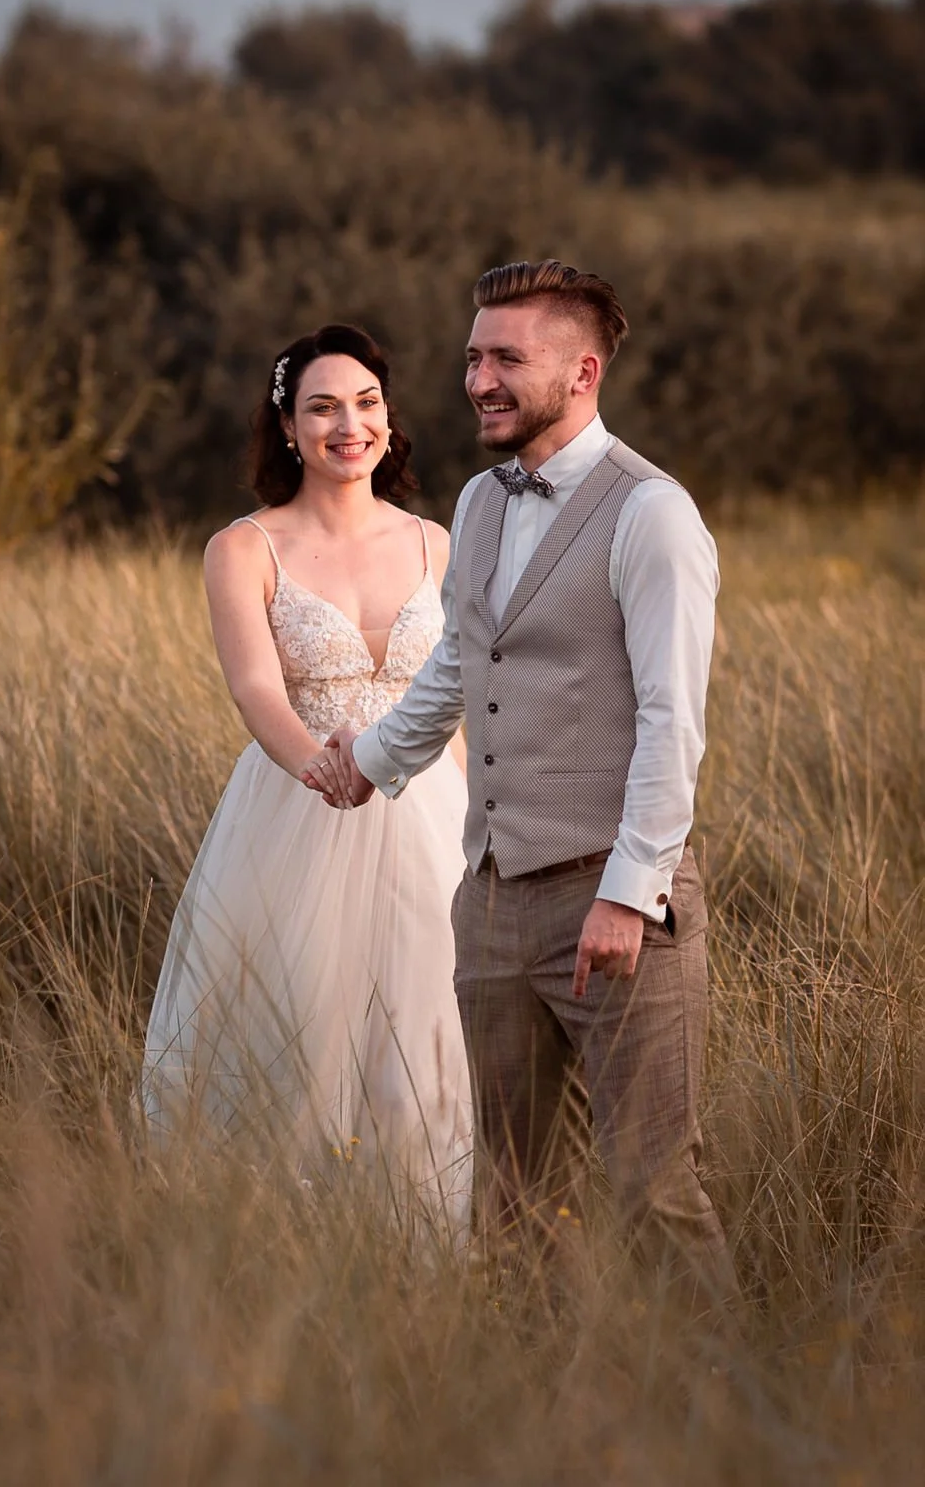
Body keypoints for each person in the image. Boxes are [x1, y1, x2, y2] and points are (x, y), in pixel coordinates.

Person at [322, 262, 738, 1299]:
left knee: (654, 1188)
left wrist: (627, 893)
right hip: (494, 902)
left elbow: (670, 723)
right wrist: (370, 764)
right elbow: (460, 665)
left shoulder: (653, 515)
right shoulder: (479, 501)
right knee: (508, 1197)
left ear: (583, 371)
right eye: (472, 356)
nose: (478, 379)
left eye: (507, 357)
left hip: (614, 903)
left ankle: (740, 1417)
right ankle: (532, 1426)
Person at [142, 323, 472, 1221]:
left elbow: (460, 696)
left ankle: (433, 1235)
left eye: (366, 404)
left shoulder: (436, 542)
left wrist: (483, 813)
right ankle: (292, 1238)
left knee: (427, 1022)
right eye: (323, 407)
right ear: (288, 427)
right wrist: (322, 773)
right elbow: (255, 690)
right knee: (298, 1031)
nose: (348, 425)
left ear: (388, 418)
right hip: (298, 810)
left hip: (431, 808)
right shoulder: (244, 548)